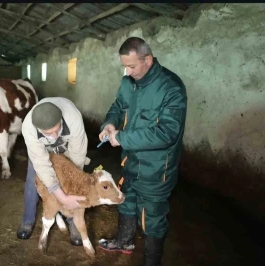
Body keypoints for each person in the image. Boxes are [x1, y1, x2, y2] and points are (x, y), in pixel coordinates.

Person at [98, 37, 187, 266]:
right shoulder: (128, 81)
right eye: (124, 66)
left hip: (157, 169)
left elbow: (168, 133)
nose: (127, 71)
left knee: (152, 218)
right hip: (130, 161)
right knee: (126, 201)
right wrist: (109, 123)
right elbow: (118, 106)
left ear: (147, 59)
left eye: (131, 66)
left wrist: (123, 137)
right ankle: (124, 241)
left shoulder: (171, 87)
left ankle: (152, 262)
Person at [17, 97, 89, 246]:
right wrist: (61, 197)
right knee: (32, 181)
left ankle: (73, 221)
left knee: (71, 182)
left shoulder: (73, 118)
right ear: (39, 130)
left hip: (67, 148)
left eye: (57, 129)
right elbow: (42, 164)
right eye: (49, 133)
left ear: (61, 119)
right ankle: (27, 220)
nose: (55, 135)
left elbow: (78, 156)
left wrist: (71, 180)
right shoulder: (28, 129)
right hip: (43, 151)